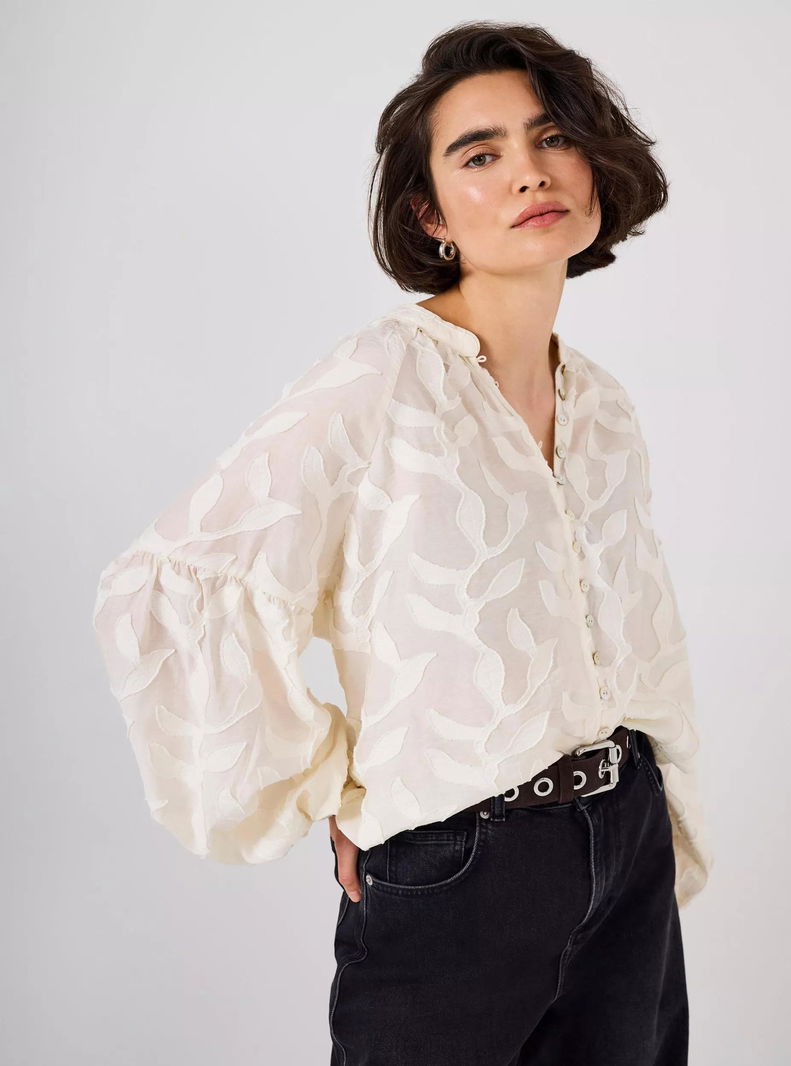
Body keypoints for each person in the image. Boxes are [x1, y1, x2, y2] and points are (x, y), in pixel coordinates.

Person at [92, 19, 713, 1066]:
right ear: (430, 213)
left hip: (628, 841)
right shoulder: (381, 380)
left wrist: (646, 811)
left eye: (552, 136)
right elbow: (175, 581)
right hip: (462, 865)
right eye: (480, 154)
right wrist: (331, 781)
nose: (528, 171)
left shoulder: (603, 405)